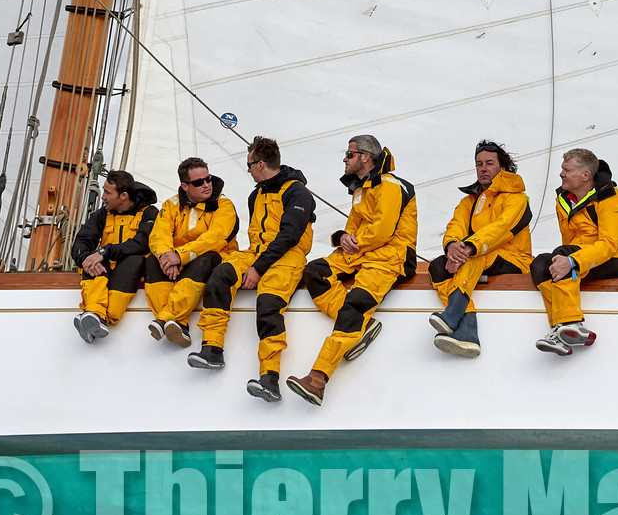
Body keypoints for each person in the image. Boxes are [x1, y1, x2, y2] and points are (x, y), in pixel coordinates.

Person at [288, 135, 418, 406]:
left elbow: (382, 231)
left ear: (365, 157)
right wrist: (343, 237)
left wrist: (353, 241)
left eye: (349, 154)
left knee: (354, 306)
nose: (345, 159)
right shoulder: (361, 189)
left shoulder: (391, 187)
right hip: (363, 252)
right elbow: (354, 225)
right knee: (315, 270)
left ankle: (318, 378)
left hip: (388, 259)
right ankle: (363, 325)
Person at [192, 136, 315, 401]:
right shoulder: (255, 195)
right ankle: (212, 349)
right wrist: (256, 263)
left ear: (260, 164)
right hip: (257, 254)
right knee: (220, 276)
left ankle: (269, 378)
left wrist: (258, 268)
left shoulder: (297, 192)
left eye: (248, 165)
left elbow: (289, 236)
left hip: (288, 257)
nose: (247, 170)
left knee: (268, 305)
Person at [531, 147, 618, 356]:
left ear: (585, 176)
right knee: (540, 265)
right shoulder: (563, 200)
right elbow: (569, 243)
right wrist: (569, 261)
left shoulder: (609, 198)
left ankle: (571, 323)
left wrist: (573, 261)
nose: (561, 174)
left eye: (567, 170)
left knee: (562, 255)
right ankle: (560, 327)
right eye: (562, 168)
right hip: (583, 256)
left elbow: (609, 245)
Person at [428, 140, 532, 358]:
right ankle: (467, 330)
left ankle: (454, 314)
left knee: (474, 257)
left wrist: (469, 247)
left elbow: (501, 228)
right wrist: (453, 246)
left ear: (502, 168)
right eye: (479, 163)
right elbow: (455, 225)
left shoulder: (517, 198)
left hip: (515, 259)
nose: (483, 168)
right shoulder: (470, 200)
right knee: (437, 266)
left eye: (489, 163)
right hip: (477, 254)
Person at [143, 156, 240, 346]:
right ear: (185, 186)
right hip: (180, 261)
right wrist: (165, 257)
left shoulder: (224, 204)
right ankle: (179, 323)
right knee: (151, 261)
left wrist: (179, 256)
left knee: (205, 258)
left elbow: (215, 238)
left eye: (208, 179)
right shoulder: (171, 205)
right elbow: (158, 236)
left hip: (215, 257)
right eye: (198, 182)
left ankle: (165, 318)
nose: (206, 185)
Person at [71, 170, 158, 342]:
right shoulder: (102, 214)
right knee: (90, 263)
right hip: (104, 272)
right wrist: (86, 258)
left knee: (133, 260)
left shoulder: (149, 213)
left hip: (132, 271)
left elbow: (141, 243)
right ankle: (95, 316)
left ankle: (97, 319)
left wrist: (104, 252)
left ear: (124, 195)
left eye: (108, 193)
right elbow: (81, 242)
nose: (103, 197)